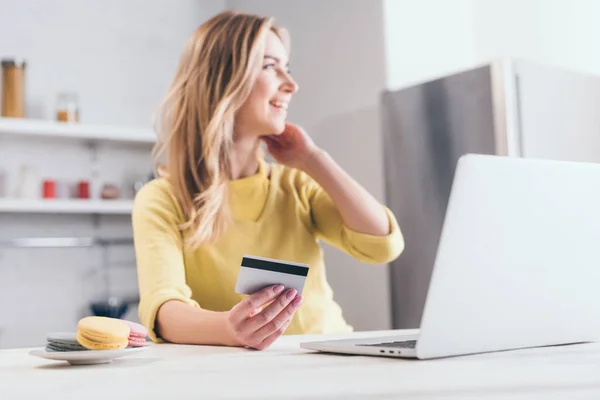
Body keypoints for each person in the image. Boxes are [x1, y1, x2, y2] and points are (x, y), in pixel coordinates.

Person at [132, 10, 405, 350]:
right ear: (222, 80)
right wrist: (229, 329)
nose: (291, 85)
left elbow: (382, 244)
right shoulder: (162, 199)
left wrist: (314, 160)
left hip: (329, 358)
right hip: (236, 372)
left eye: (287, 68)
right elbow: (164, 310)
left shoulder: (295, 185)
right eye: (270, 66)